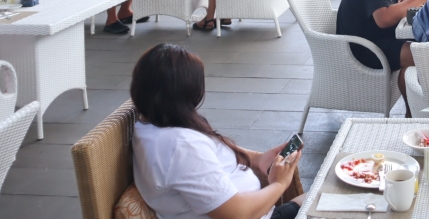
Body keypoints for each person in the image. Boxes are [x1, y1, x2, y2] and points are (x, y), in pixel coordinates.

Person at [131, 43, 305, 219]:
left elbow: (209, 152)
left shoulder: (151, 124)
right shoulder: (182, 148)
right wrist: (279, 184)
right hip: (252, 214)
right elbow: (237, 214)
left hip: (262, 212)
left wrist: (257, 158)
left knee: (317, 199)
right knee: (320, 202)